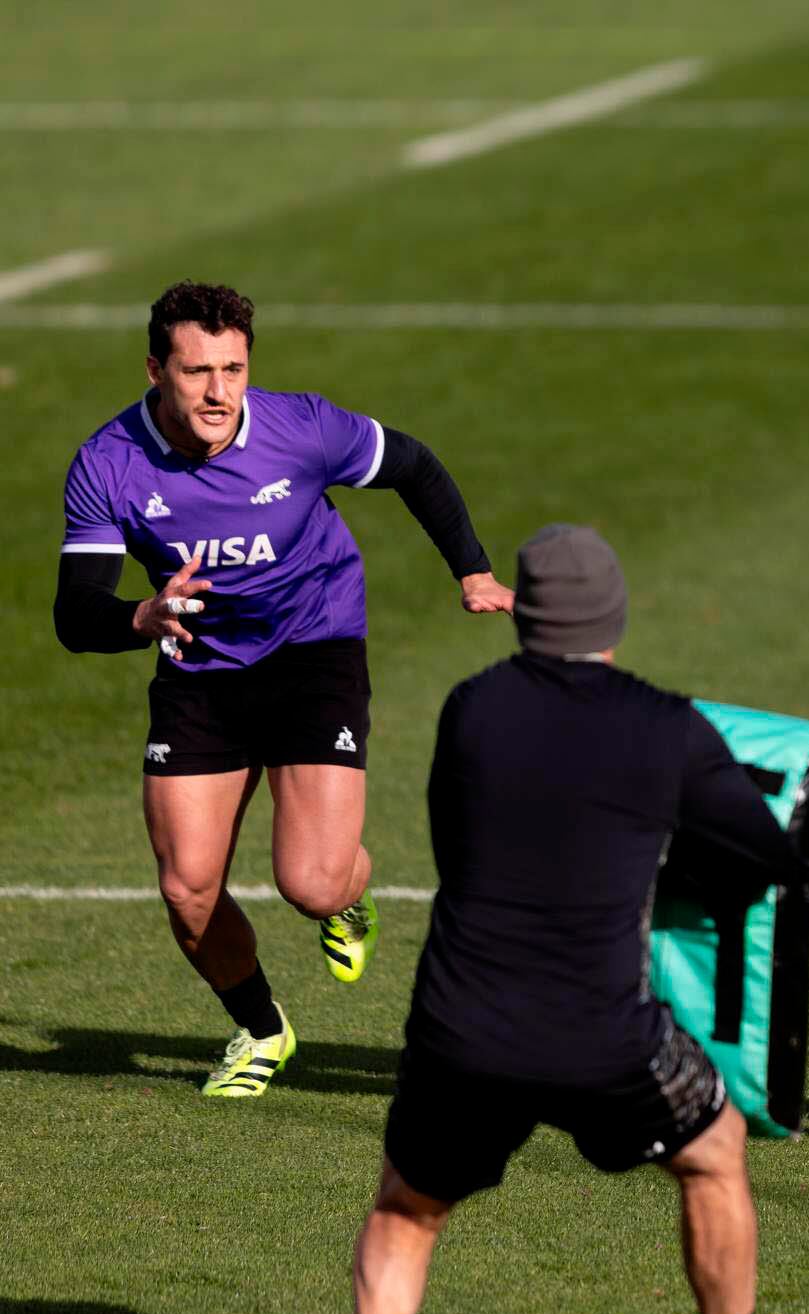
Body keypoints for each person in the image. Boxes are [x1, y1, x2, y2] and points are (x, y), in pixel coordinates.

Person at [351, 525, 809, 1314]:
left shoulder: (471, 708)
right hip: (604, 1036)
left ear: (523, 614)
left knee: (408, 1206)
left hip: (461, 1031)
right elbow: (770, 859)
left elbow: (464, 844)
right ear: (614, 616)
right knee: (713, 1153)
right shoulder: (666, 727)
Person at [53, 280, 513, 1097]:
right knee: (186, 890)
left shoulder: (302, 427)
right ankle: (263, 1029)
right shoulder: (109, 463)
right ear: (156, 369)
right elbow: (74, 611)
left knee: (311, 881)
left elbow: (414, 465)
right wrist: (142, 615)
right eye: (197, 371)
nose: (219, 392)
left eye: (233, 368)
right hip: (198, 666)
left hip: (314, 648)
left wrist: (472, 570)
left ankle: (349, 892)